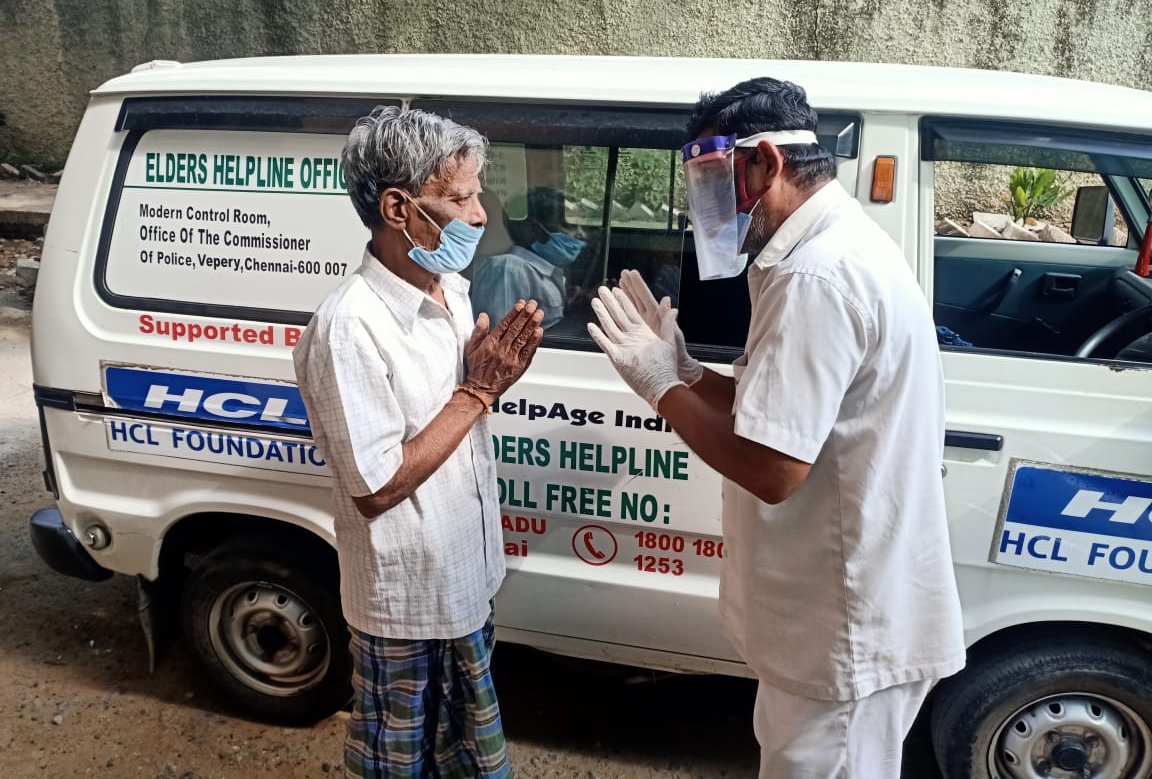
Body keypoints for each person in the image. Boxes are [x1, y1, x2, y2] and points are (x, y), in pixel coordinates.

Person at [587, 78, 965, 777]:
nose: (710, 209)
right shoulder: (821, 248)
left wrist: (660, 386)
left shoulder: (816, 276)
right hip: (828, 625)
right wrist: (691, 373)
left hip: (842, 630)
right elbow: (778, 410)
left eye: (713, 182)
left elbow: (773, 469)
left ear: (764, 162)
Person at [293, 106, 543, 779]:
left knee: (463, 758)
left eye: (477, 192)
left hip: (465, 581)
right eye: (460, 197)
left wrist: (485, 378)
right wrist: (477, 392)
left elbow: (451, 422)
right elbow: (375, 487)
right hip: (407, 606)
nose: (481, 212)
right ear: (400, 208)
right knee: (400, 766)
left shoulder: (452, 292)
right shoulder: (349, 327)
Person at [470, 187, 584, 330]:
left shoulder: (542, 269)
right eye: (570, 225)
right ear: (535, 230)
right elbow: (500, 338)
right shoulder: (510, 269)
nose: (581, 234)